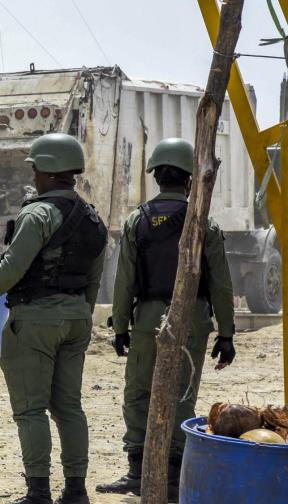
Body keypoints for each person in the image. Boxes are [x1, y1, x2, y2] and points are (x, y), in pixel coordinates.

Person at [0, 133, 107, 504]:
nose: (33, 175)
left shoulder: (38, 213)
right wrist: (80, 316)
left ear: (47, 169)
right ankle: (76, 490)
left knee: (30, 409)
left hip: (35, 321)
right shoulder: (92, 218)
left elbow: (13, 266)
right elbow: (94, 278)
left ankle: (38, 491)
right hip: (76, 319)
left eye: (35, 168)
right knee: (69, 408)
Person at [96, 138, 235, 501]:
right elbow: (221, 282)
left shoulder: (136, 221)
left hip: (147, 319)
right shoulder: (205, 224)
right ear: (190, 180)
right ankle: (173, 475)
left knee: (138, 392)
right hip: (193, 318)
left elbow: (124, 280)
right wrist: (227, 334)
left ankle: (136, 472)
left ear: (155, 176)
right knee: (183, 395)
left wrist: (122, 327)